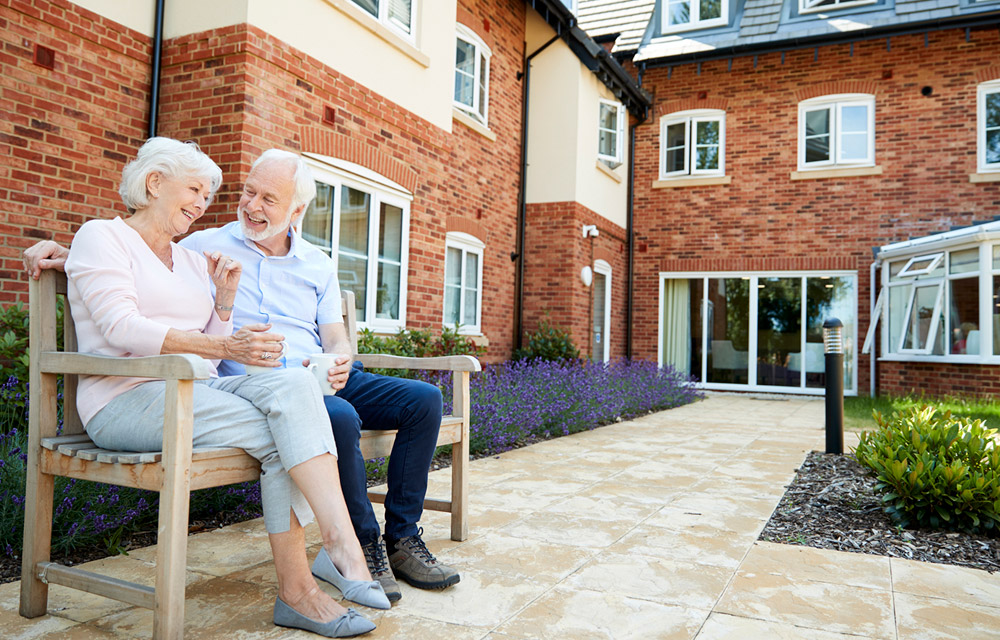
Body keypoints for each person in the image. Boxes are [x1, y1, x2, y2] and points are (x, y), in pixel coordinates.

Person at [24, 150, 460, 603]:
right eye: (247, 192)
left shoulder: (307, 261)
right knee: (333, 418)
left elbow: (332, 335)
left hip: (310, 374)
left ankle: (400, 540)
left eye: (268, 199)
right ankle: (358, 547)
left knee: (424, 400)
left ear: (296, 211)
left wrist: (340, 357)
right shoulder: (204, 244)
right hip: (235, 383)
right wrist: (70, 253)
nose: (251, 205)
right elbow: (132, 259)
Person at [61, 137, 386, 638]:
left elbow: (213, 343)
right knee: (288, 430)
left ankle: (332, 555)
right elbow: (119, 327)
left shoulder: (192, 260)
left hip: (196, 395)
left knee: (296, 389)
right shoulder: (102, 237)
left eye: (209, 196)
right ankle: (321, 572)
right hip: (125, 399)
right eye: (194, 189)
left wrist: (225, 304)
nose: (202, 204)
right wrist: (225, 347)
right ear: (154, 184)